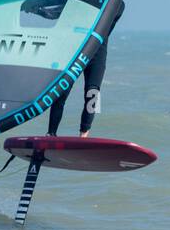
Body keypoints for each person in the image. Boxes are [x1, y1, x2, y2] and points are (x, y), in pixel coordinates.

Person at [47, 7, 123, 138]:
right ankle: (51, 133)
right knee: (61, 91)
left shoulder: (117, 3)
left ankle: (84, 134)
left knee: (93, 94)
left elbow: (107, 27)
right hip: (76, 50)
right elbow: (62, 12)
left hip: (98, 54)